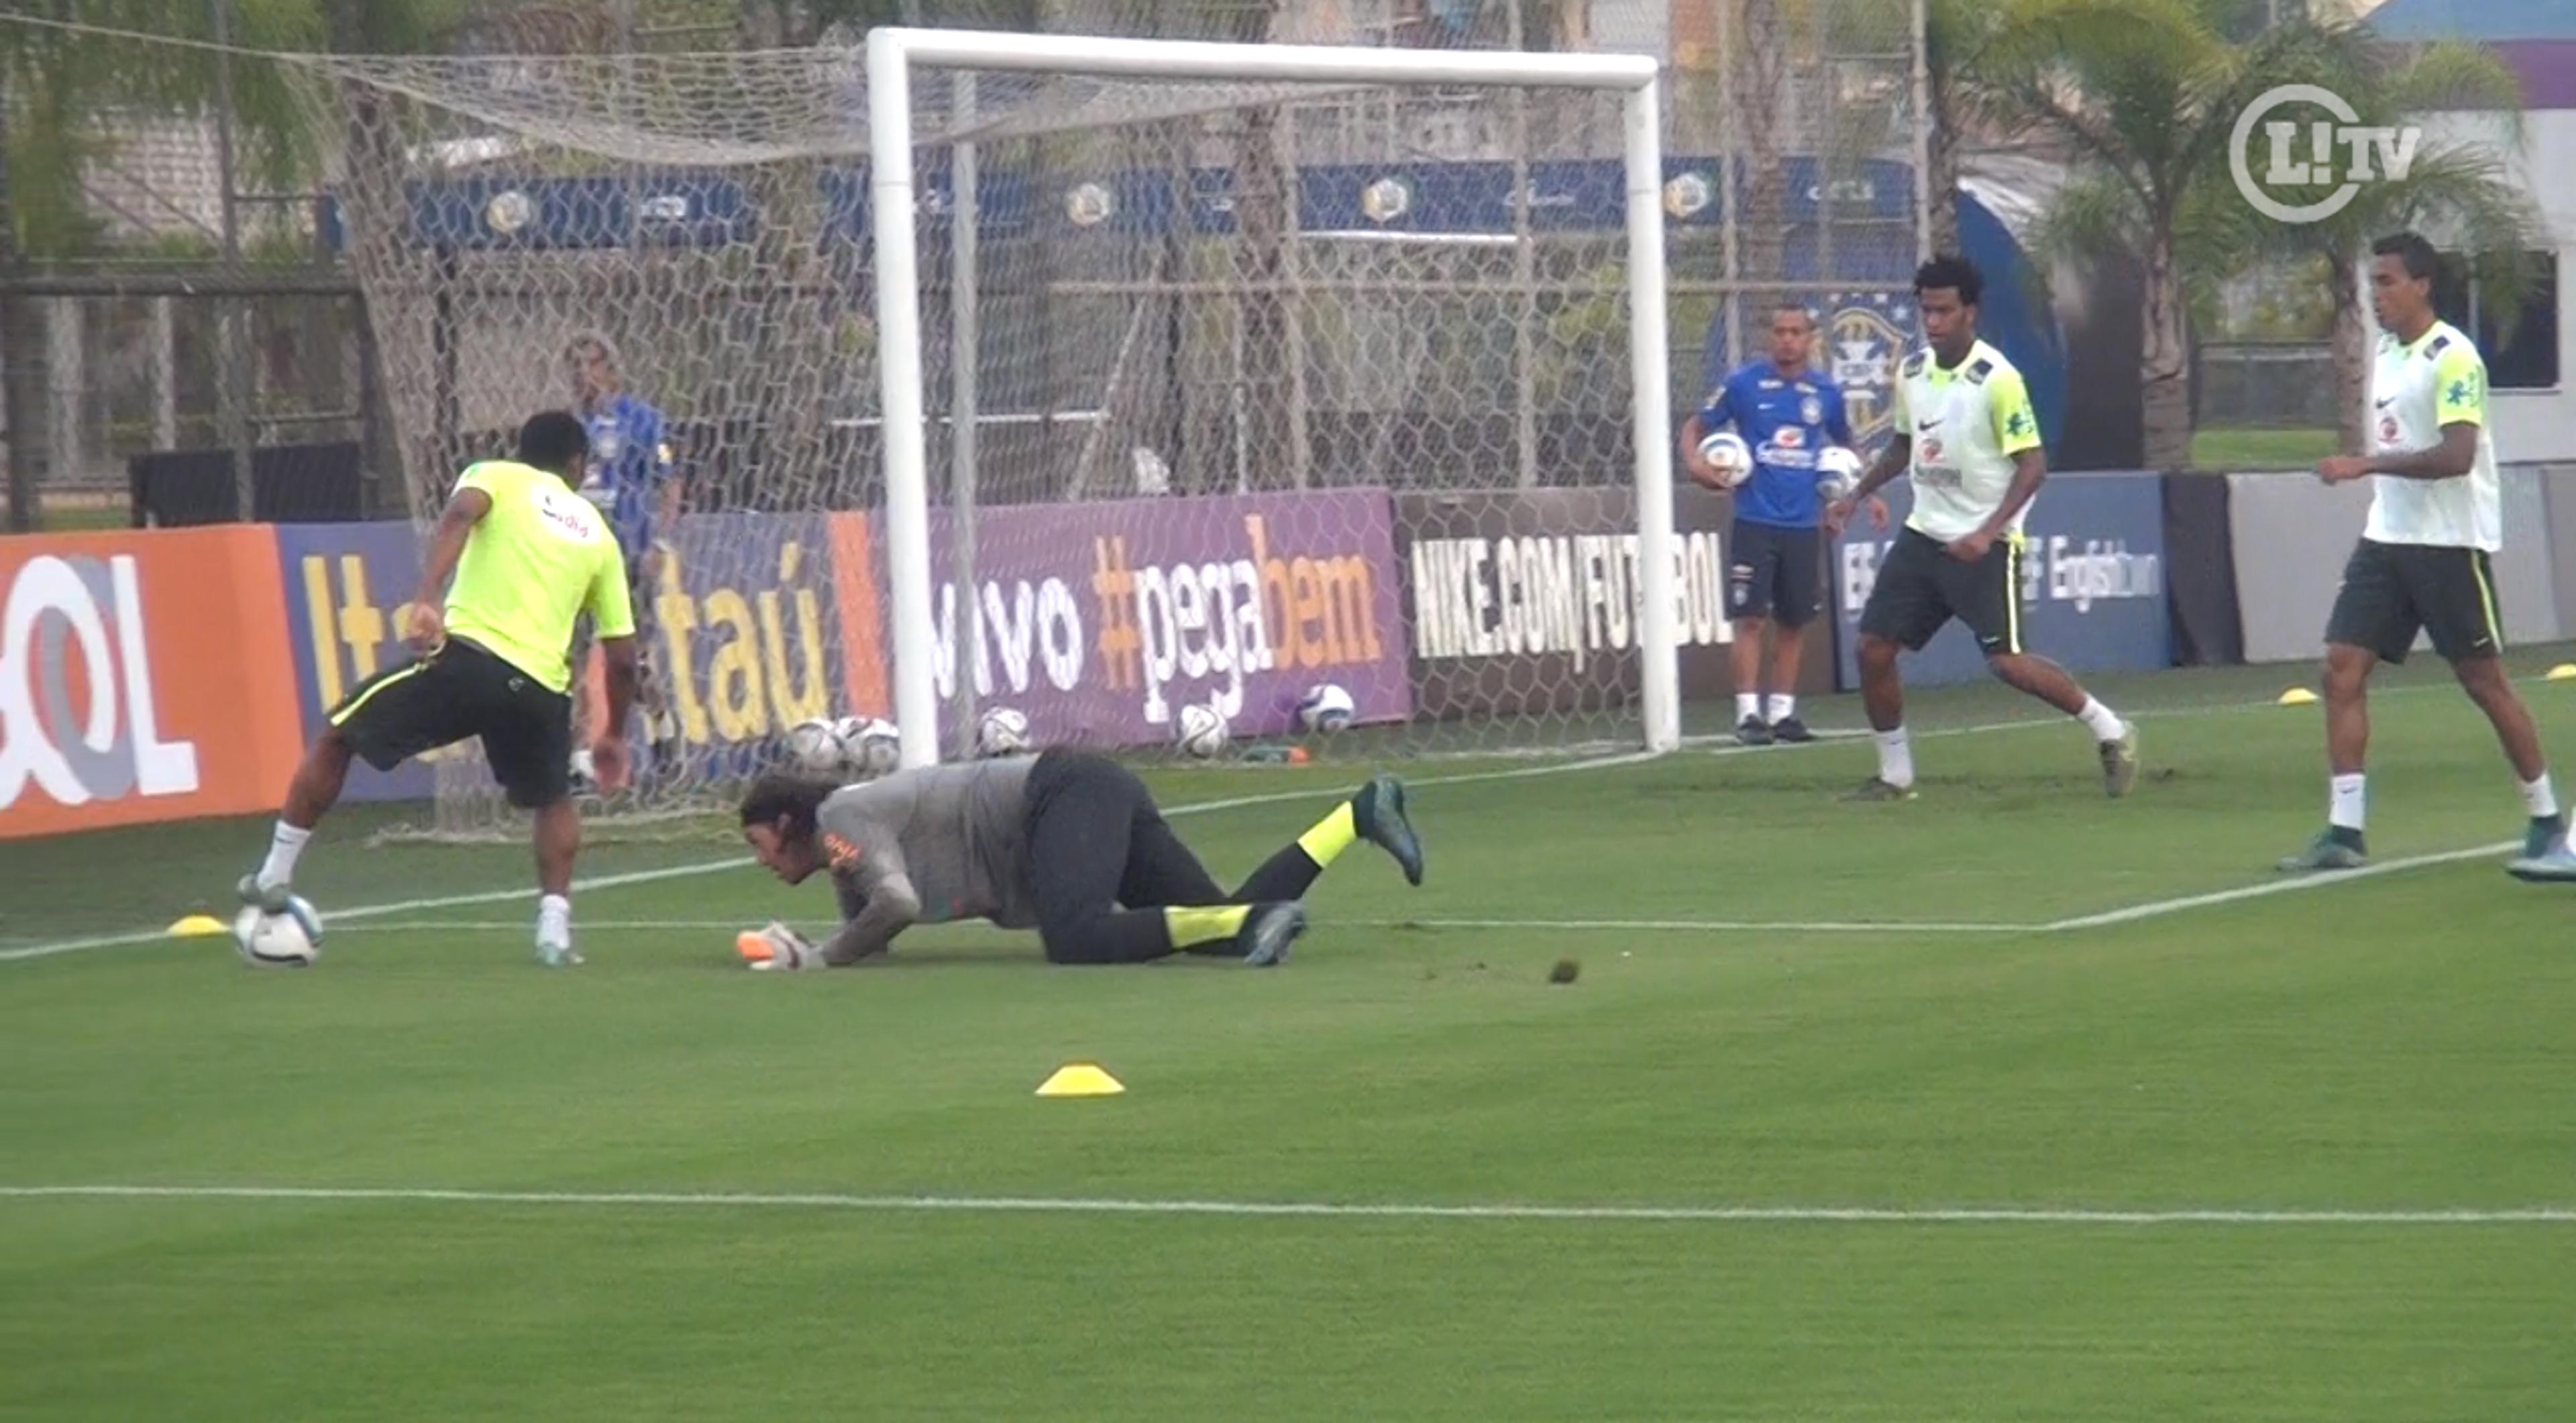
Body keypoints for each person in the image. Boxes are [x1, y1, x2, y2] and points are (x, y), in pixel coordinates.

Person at [238, 411, 640, 965]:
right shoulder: (599, 534)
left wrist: (427, 594)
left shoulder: (496, 475)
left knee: (337, 735)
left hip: (469, 664)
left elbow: (459, 513)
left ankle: (274, 876)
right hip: (542, 690)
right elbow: (621, 656)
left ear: (522, 452)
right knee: (552, 798)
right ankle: (554, 930)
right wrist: (613, 733)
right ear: (577, 465)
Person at [2279, 231, 2567, 876]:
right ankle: (2344, 831)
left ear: (2422, 285)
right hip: (2388, 538)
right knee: (2340, 670)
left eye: (2386, 282)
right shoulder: (2385, 349)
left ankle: (2548, 819)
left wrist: (2363, 465)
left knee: (2484, 683)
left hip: (2447, 543)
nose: (2376, 295)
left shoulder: (2453, 357)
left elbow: (2457, 456)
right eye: (2372, 283)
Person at [1827, 256, 2137, 801]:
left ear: (1970, 312)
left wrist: (1987, 530)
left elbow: (2033, 464)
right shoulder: (1913, 370)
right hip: (1924, 535)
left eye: (1945, 310)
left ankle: (2109, 728)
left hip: (1985, 543)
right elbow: (1903, 444)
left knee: (2007, 662)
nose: (1934, 321)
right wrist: (1857, 494)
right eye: (1927, 310)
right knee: (1873, 648)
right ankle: (1896, 776)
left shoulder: (1999, 380)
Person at [734, 753, 1424, 969]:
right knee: (1221, 924)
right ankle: (1356, 817)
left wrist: (814, 960)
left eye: (759, 844)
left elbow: (899, 905)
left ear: (788, 823)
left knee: (1076, 936)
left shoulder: (839, 819)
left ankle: (1255, 921)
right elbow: (873, 929)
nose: (762, 862)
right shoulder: (845, 844)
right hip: (1080, 793)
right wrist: (819, 946)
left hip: (1060, 794)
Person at [1681, 304, 1886, 745]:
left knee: (1794, 622)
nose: (1787, 339)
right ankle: (1747, 714)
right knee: (1751, 619)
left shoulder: (1825, 393)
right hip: (1754, 520)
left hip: (1802, 524)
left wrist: (1865, 494)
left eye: (1796, 331)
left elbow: (1846, 443)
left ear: (1811, 338)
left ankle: (1783, 713)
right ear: (1769, 336)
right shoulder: (1744, 385)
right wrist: (1695, 465)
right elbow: (1695, 426)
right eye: (1779, 331)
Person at [565, 331, 680, 779]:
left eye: (591, 363)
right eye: (575, 365)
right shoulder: (566, 425)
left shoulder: (643, 419)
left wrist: (661, 543)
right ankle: (578, 761)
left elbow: (670, 483)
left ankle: (663, 726)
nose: (582, 373)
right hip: (575, 557)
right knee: (568, 658)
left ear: (611, 370)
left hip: (629, 553)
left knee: (629, 662)